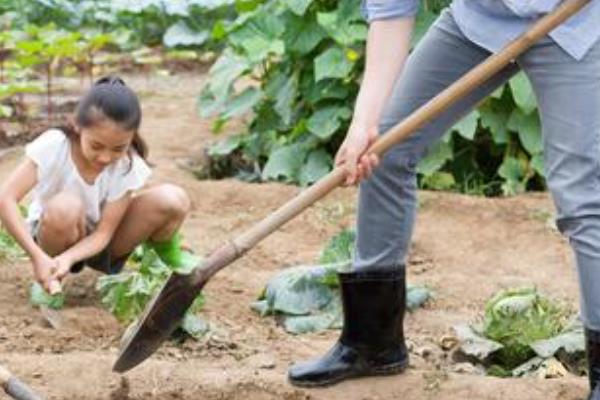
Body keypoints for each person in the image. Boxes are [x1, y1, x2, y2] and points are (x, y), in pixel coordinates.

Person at [287, 0, 600, 398]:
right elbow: (391, 13)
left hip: (573, 23)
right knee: (386, 147)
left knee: (583, 195)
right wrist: (365, 123)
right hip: (479, 21)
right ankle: (372, 343)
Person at [0, 75, 192, 294]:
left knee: (173, 199)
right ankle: (48, 277)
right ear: (77, 125)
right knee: (65, 206)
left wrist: (69, 258)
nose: (105, 158)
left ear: (131, 138)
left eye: (118, 148)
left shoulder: (128, 165)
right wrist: (37, 256)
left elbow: (103, 233)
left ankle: (167, 265)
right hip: (54, 235)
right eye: (96, 146)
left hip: (100, 245)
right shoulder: (55, 145)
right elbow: (6, 198)